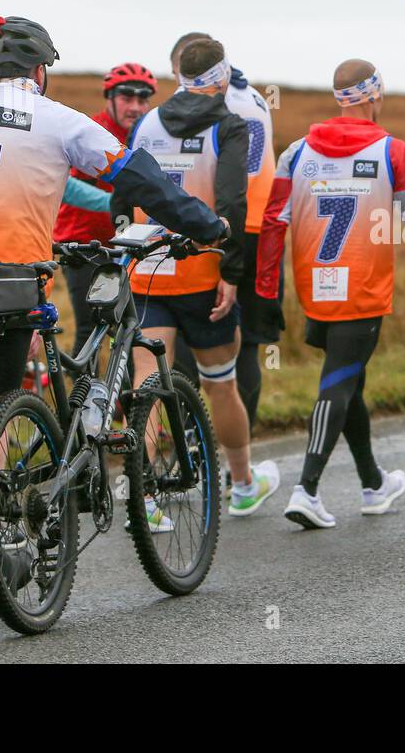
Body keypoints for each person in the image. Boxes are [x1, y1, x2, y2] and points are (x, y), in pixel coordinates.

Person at [0, 16, 229, 630]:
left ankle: (1, 562)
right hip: (0, 290)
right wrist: (206, 224)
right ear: (40, 72)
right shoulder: (54, 117)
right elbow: (134, 177)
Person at [257, 59, 405, 529]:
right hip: (362, 288)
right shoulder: (393, 151)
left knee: (349, 377)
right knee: (339, 379)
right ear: (374, 96)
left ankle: (373, 483)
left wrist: (267, 291)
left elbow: (274, 222)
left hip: (314, 288)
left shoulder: (296, 153)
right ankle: (308, 489)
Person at [116, 36, 279, 520]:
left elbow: (122, 191)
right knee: (220, 384)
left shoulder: (146, 123)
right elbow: (232, 204)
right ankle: (244, 484)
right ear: (223, 77)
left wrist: (126, 249)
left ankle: (142, 499)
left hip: (148, 270)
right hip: (203, 273)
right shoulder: (229, 126)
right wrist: (231, 270)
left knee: (145, 383)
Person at [168, 32, 280, 433]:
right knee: (246, 343)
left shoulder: (206, 105)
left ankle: (194, 447)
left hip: (220, 228)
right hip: (260, 228)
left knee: (190, 332)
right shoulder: (252, 96)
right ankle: (240, 458)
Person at [53, 62, 159, 353]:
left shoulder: (145, 134)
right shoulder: (94, 131)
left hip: (126, 242)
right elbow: (69, 188)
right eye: (127, 98)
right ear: (110, 98)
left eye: (143, 99)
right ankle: (79, 398)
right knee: (90, 328)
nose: (135, 107)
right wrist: (117, 205)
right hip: (84, 243)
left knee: (127, 327)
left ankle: (121, 397)